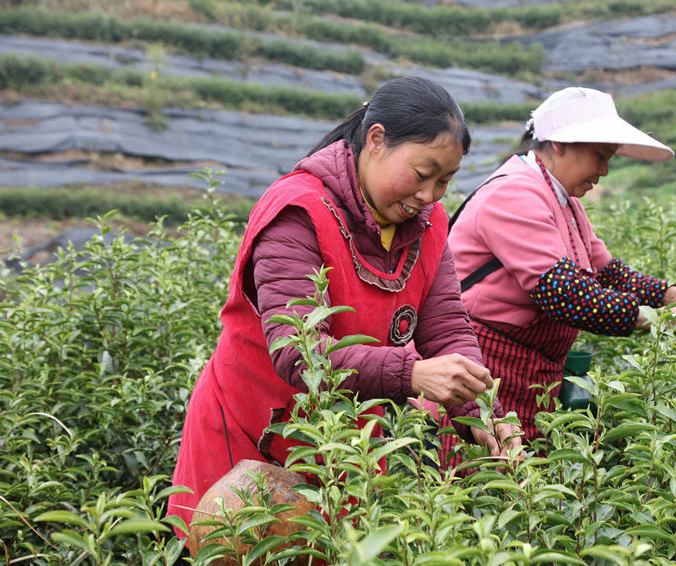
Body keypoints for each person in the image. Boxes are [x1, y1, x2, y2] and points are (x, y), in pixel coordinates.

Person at [168, 76, 522, 533]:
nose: (429, 196)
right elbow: (300, 352)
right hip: (250, 434)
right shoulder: (298, 211)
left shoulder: (428, 224)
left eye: (445, 181)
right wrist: (411, 374)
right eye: (421, 174)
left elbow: (448, 329)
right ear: (376, 141)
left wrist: (483, 411)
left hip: (345, 444)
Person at [440, 87, 676, 453]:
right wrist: (657, 319)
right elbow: (564, 292)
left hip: (529, 369)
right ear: (559, 144)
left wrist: (669, 294)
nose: (604, 170)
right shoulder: (515, 193)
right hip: (487, 366)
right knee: (486, 477)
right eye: (600, 156)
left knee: (524, 484)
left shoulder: (561, 199)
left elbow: (607, 272)